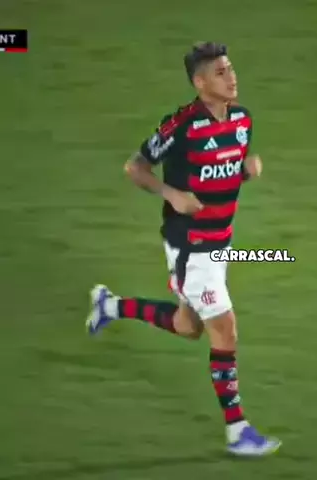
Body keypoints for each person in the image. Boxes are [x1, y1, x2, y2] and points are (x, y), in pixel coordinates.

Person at [86, 42, 281, 457]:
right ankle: (238, 431)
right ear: (200, 82)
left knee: (187, 326)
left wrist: (246, 171)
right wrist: (170, 194)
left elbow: (221, 172)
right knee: (224, 328)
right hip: (191, 248)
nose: (232, 77)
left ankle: (109, 306)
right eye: (221, 73)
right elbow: (135, 166)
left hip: (220, 244)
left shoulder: (242, 120)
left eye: (231, 69)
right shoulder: (182, 126)